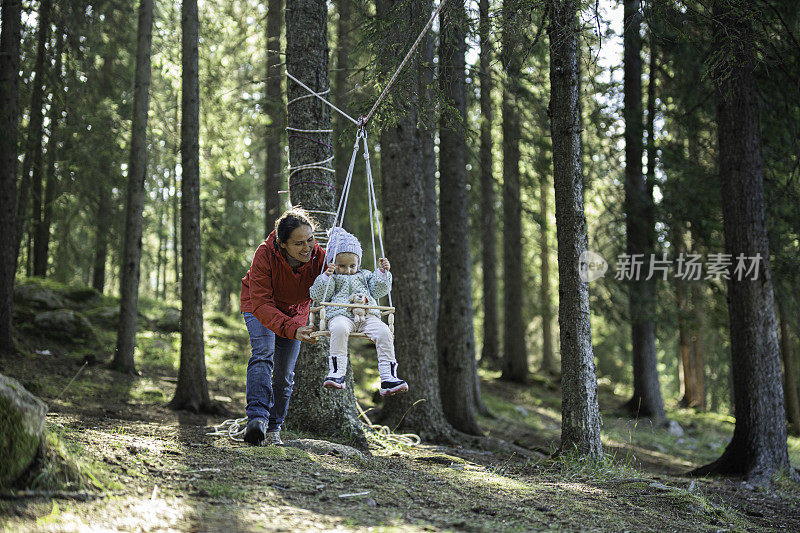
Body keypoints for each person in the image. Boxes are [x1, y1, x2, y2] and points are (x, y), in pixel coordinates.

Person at [240, 207, 324, 446]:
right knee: (263, 354)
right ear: (283, 244)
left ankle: (274, 427)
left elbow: (343, 278)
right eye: (298, 243)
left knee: (285, 373)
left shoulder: (320, 257)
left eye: (310, 240)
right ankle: (256, 420)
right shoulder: (265, 254)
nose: (307, 248)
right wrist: (292, 329)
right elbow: (262, 303)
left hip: (295, 312)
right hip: (258, 305)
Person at [309, 227, 408, 397]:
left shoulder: (365, 276)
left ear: (358, 263)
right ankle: (337, 373)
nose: (347, 270)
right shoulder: (332, 278)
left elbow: (378, 290)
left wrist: (383, 273)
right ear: (332, 262)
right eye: (342, 266)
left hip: (368, 316)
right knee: (338, 329)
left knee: (384, 332)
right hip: (341, 315)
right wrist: (326, 277)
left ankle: (388, 377)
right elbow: (317, 295)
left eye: (352, 265)